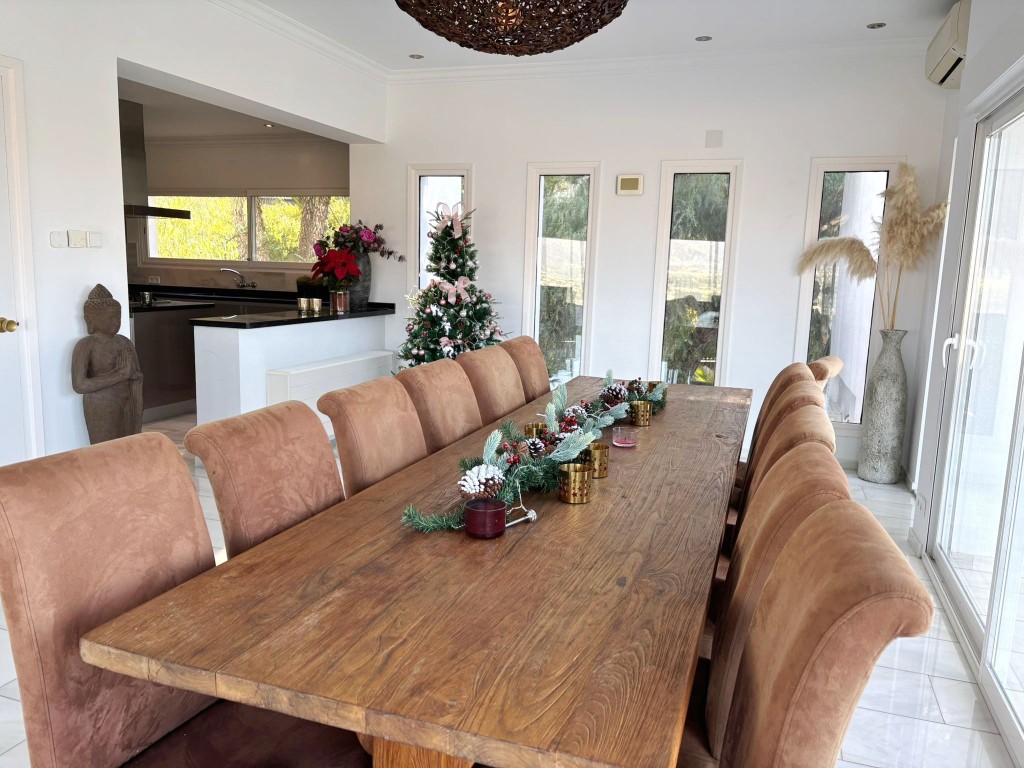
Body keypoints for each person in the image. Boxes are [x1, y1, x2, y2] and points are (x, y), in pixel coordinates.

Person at [71, 284, 143, 443]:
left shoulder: (125, 342)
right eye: (110, 317)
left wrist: (134, 376)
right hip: (101, 406)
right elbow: (80, 385)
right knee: (105, 449)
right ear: (91, 319)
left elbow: (136, 375)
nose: (116, 321)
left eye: (118, 317)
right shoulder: (86, 345)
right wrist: (120, 375)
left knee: (129, 446)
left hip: (127, 404)